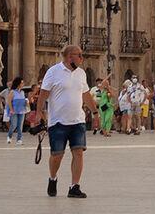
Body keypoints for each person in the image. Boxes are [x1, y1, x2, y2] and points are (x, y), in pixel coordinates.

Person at [36, 44, 94, 199]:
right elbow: (43, 94)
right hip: (58, 122)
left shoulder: (81, 73)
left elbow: (86, 94)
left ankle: (74, 186)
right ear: (70, 57)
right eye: (79, 55)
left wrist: (95, 112)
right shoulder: (53, 72)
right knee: (57, 155)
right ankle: (53, 178)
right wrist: (38, 113)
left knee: (79, 152)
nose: (82, 58)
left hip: (78, 121)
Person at [6, 77, 29, 145]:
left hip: (22, 110)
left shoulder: (22, 92)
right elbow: (9, 101)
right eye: (22, 83)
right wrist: (11, 109)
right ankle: (9, 136)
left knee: (20, 125)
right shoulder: (12, 92)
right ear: (18, 84)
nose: (23, 84)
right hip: (14, 110)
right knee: (14, 124)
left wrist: (26, 102)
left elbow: (23, 100)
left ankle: (19, 139)